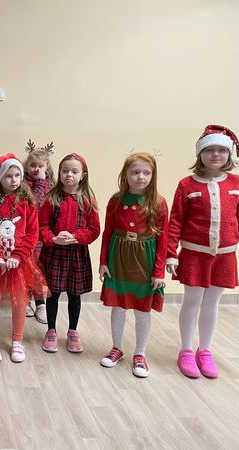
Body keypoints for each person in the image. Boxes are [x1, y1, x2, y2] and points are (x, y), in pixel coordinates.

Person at [167, 124, 239, 379]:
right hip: (195, 254)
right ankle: (186, 350)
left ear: (229, 154)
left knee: (212, 303)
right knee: (192, 301)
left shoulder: (236, 183)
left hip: (225, 255)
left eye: (221, 150)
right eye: (209, 150)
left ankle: (205, 351)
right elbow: (175, 221)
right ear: (200, 154)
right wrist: (171, 253)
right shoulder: (186, 185)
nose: (215, 155)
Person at [98, 153, 168, 378]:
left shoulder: (158, 202)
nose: (141, 177)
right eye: (135, 172)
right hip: (118, 256)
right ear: (125, 175)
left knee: (142, 309)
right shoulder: (116, 200)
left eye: (146, 173)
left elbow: (163, 239)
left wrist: (159, 271)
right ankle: (116, 348)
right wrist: (103, 262)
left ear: (153, 176)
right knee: (118, 306)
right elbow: (107, 232)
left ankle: (140, 353)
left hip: (145, 261)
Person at [0, 153, 49, 363]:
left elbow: (32, 234)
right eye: (8, 176)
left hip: (20, 262)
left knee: (19, 300)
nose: (14, 180)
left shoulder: (27, 201)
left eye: (17, 175)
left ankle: (17, 341)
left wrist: (18, 255)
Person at [39, 153, 100, 354]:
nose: (69, 175)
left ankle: (73, 330)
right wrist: (53, 238)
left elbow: (94, 230)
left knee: (75, 294)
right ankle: (51, 330)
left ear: (83, 175)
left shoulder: (88, 200)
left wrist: (76, 237)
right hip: (54, 252)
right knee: (53, 294)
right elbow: (42, 227)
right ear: (59, 173)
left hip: (77, 254)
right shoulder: (51, 199)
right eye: (65, 171)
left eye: (74, 171)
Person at [22, 139, 56, 323]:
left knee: (39, 269)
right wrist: (39, 183)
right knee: (26, 267)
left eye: (40, 166)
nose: (36, 169)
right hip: (25, 234)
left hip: (43, 235)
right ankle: (25, 300)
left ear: (46, 167)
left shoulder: (51, 185)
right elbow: (32, 203)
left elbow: (49, 206)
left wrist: (43, 183)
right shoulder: (22, 184)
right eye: (33, 165)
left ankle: (40, 302)